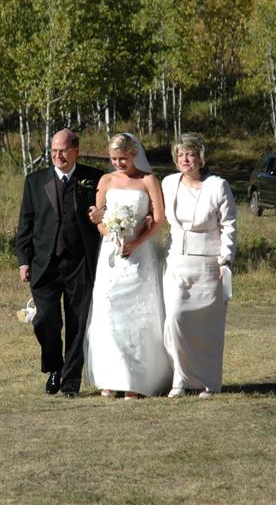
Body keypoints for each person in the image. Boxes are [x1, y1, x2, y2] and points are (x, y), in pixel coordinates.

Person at [16, 129, 103, 399]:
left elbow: (107, 213)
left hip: (80, 263)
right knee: (44, 319)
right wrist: (23, 260)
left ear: (76, 151)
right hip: (45, 264)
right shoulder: (35, 181)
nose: (57, 155)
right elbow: (26, 223)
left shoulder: (95, 178)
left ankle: (70, 382)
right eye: (54, 150)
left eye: (63, 150)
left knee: (77, 323)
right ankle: (54, 366)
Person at [84, 133, 172, 399]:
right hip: (112, 254)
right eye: (113, 159)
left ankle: (135, 381)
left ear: (134, 154)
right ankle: (110, 378)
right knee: (109, 312)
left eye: (122, 158)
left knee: (136, 316)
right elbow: (99, 218)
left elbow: (159, 218)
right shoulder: (106, 180)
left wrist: (136, 242)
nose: (118, 163)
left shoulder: (148, 180)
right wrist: (111, 234)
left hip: (139, 254)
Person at [161, 133, 237, 399]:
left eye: (190, 154)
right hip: (176, 262)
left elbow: (229, 226)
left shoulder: (218, 185)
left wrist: (225, 259)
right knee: (174, 319)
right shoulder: (168, 183)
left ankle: (208, 382)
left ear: (201, 158)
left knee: (207, 327)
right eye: (180, 154)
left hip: (209, 265)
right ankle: (180, 379)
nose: (185, 159)